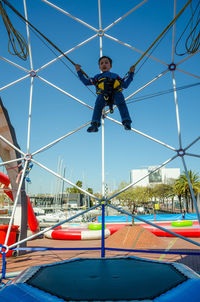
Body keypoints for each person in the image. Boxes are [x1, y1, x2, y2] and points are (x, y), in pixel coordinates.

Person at [75, 56, 135, 132]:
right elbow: (86, 82)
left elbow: (125, 85)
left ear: (110, 66)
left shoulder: (116, 76)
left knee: (121, 103)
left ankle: (127, 122)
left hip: (115, 93)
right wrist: (78, 71)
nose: (104, 64)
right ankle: (95, 124)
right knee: (98, 105)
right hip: (103, 95)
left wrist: (131, 73)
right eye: (101, 63)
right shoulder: (97, 77)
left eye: (106, 63)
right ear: (99, 67)